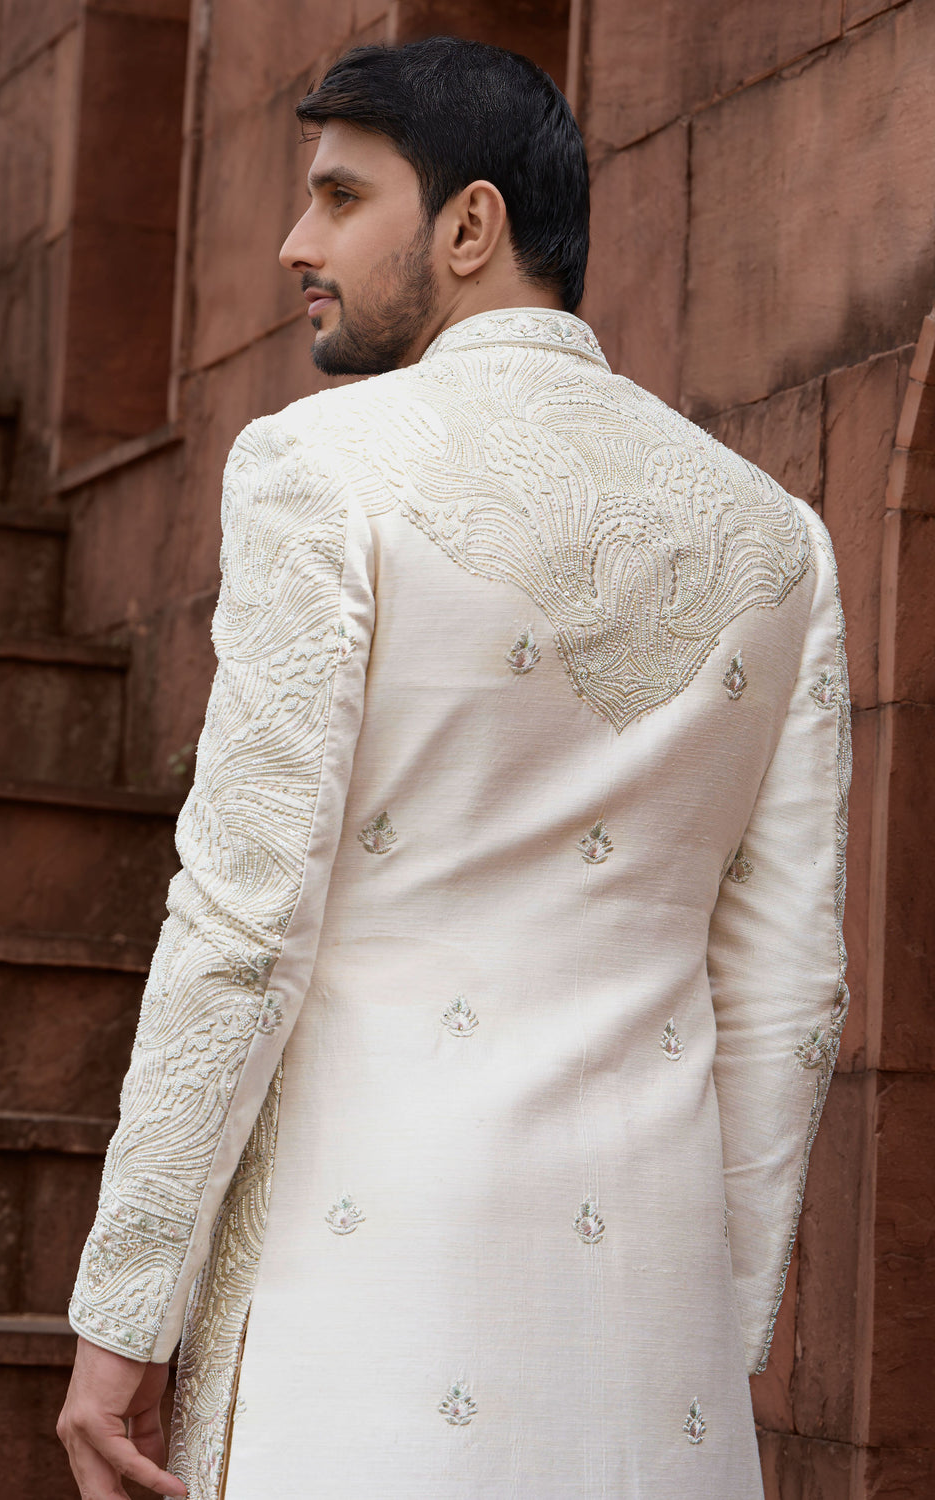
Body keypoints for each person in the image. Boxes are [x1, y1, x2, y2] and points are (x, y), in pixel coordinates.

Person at [57, 36, 850, 1500]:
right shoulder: (780, 536)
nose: (297, 245)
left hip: (356, 1328)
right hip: (657, 1360)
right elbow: (792, 990)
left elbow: (241, 925)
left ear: (471, 225)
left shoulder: (320, 468)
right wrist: (710, 1331)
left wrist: (125, 1316)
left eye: (342, 197)